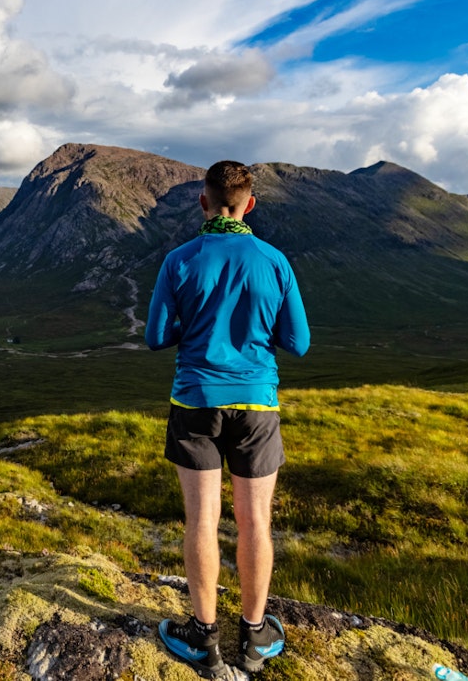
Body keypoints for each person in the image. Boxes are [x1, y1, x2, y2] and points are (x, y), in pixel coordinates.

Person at [144, 160, 310, 678]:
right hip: (257, 405)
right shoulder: (274, 260)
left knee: (201, 521)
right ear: (249, 204)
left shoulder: (179, 260)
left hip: (195, 403)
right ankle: (255, 638)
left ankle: (204, 637)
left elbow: (155, 336)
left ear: (204, 201)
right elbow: (298, 342)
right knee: (255, 522)